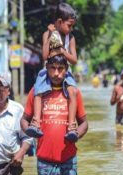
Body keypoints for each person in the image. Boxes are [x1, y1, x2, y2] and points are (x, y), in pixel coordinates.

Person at [21, 55, 88, 175]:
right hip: (45, 161)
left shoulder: (74, 93)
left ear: (67, 70)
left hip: (69, 159)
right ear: (47, 68)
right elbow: (24, 120)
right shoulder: (36, 92)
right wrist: (29, 131)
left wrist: (77, 134)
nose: (56, 73)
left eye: (60, 69)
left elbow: (84, 123)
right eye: (52, 68)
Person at [26, 3, 78, 139]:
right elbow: (44, 56)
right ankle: (36, 122)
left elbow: (74, 60)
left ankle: (71, 125)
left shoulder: (70, 38)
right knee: (38, 90)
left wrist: (62, 51)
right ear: (60, 22)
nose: (71, 28)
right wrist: (50, 35)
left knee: (72, 91)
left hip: (65, 71)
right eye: (69, 25)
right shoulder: (47, 34)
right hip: (47, 71)